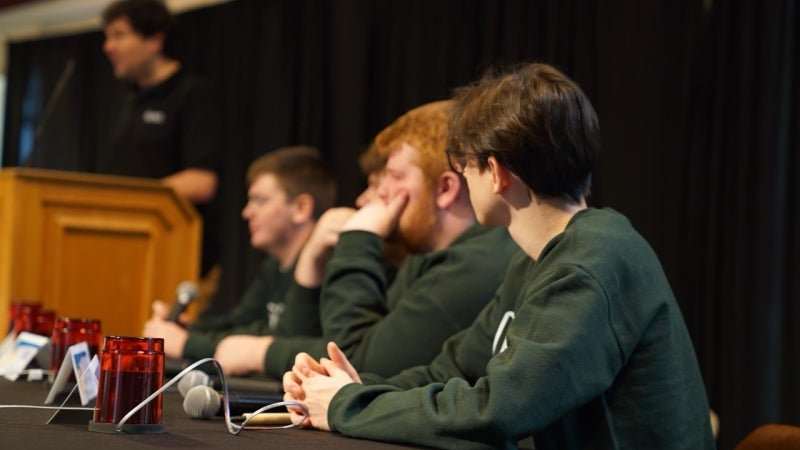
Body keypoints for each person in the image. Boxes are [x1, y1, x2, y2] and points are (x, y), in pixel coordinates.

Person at [283, 63, 715, 449]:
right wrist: (346, 389)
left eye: (462, 165)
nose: (462, 177)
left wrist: (349, 406)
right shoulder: (538, 259)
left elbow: (500, 411)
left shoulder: (592, 261)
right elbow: (452, 373)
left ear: (495, 173)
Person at [212, 100, 519, 379]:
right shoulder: (422, 258)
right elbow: (352, 342)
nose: (376, 194)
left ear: (445, 189)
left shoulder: (474, 263)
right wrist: (311, 261)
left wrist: (359, 238)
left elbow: (357, 364)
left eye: (395, 177)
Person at [143, 146, 336, 361]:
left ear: (301, 208)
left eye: (260, 201)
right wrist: (186, 330)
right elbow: (239, 324)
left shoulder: (327, 266)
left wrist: (186, 344)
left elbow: (284, 343)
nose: (246, 213)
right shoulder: (273, 266)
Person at [99, 0, 222, 275]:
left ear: (154, 40)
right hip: (127, 250)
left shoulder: (192, 95)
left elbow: (202, 182)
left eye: (119, 35)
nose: (108, 46)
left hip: (177, 259)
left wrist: (130, 200)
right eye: (107, 37)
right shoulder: (128, 100)